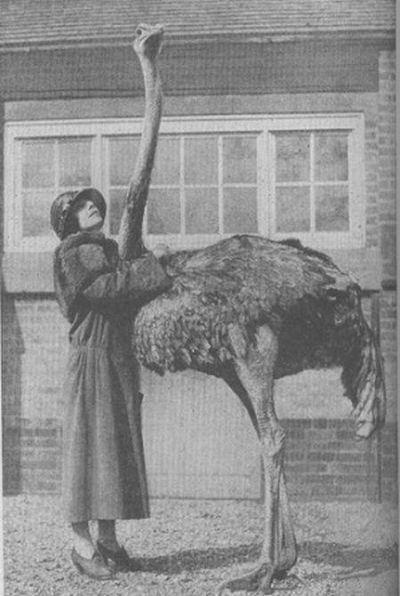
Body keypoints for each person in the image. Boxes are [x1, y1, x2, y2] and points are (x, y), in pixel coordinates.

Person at [51, 187, 171, 579]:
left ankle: (108, 540)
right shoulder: (75, 250)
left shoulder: (104, 250)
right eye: (81, 206)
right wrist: (154, 266)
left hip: (114, 359)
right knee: (87, 449)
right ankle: (81, 544)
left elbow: (124, 286)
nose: (91, 207)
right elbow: (109, 289)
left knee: (111, 451)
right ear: (69, 220)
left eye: (94, 204)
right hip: (91, 359)